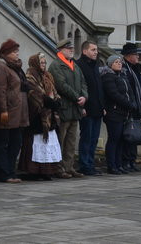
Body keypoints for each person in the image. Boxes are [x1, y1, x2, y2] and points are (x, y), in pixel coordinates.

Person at [0, 39, 29, 183]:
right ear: (6, 53)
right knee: (3, 143)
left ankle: (10, 171)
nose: (17, 54)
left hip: (17, 113)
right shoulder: (0, 66)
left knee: (15, 143)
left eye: (17, 51)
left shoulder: (15, 67)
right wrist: (3, 110)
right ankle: (3, 173)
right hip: (6, 112)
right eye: (14, 52)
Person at [49, 38, 88, 179]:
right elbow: (61, 85)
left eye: (72, 48)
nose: (72, 50)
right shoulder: (56, 65)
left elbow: (84, 83)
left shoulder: (75, 66)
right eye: (68, 48)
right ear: (60, 50)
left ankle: (69, 167)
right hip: (64, 108)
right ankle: (58, 168)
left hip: (75, 108)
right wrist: (78, 97)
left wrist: (85, 96)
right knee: (61, 139)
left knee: (71, 141)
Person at [19, 53, 62, 179]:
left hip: (49, 115)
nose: (43, 65)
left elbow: (54, 90)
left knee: (48, 143)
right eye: (41, 63)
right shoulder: (30, 76)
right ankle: (34, 171)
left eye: (44, 63)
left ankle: (47, 170)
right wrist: (49, 101)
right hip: (37, 115)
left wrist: (57, 100)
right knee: (37, 143)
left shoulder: (47, 76)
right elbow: (35, 93)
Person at [100, 54, 135, 174]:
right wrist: (129, 104)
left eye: (120, 62)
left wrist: (133, 102)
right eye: (116, 62)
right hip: (113, 112)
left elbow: (130, 91)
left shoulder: (123, 76)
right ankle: (112, 165)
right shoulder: (108, 77)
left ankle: (119, 164)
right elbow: (114, 94)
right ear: (110, 64)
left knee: (121, 139)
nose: (119, 63)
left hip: (124, 112)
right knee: (114, 139)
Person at [76, 41, 104, 176]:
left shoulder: (95, 65)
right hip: (86, 108)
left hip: (97, 108)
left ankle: (91, 164)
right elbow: (79, 87)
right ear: (84, 51)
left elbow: (99, 88)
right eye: (93, 50)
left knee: (94, 139)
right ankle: (84, 165)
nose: (96, 52)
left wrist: (102, 106)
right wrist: (81, 107)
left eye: (96, 50)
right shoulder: (79, 65)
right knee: (86, 138)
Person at [121, 42, 141, 172]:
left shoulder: (137, 69)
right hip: (130, 108)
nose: (138, 56)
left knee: (136, 135)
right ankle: (126, 161)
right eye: (135, 54)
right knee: (128, 136)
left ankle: (132, 160)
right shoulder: (125, 70)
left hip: (139, 107)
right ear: (128, 56)